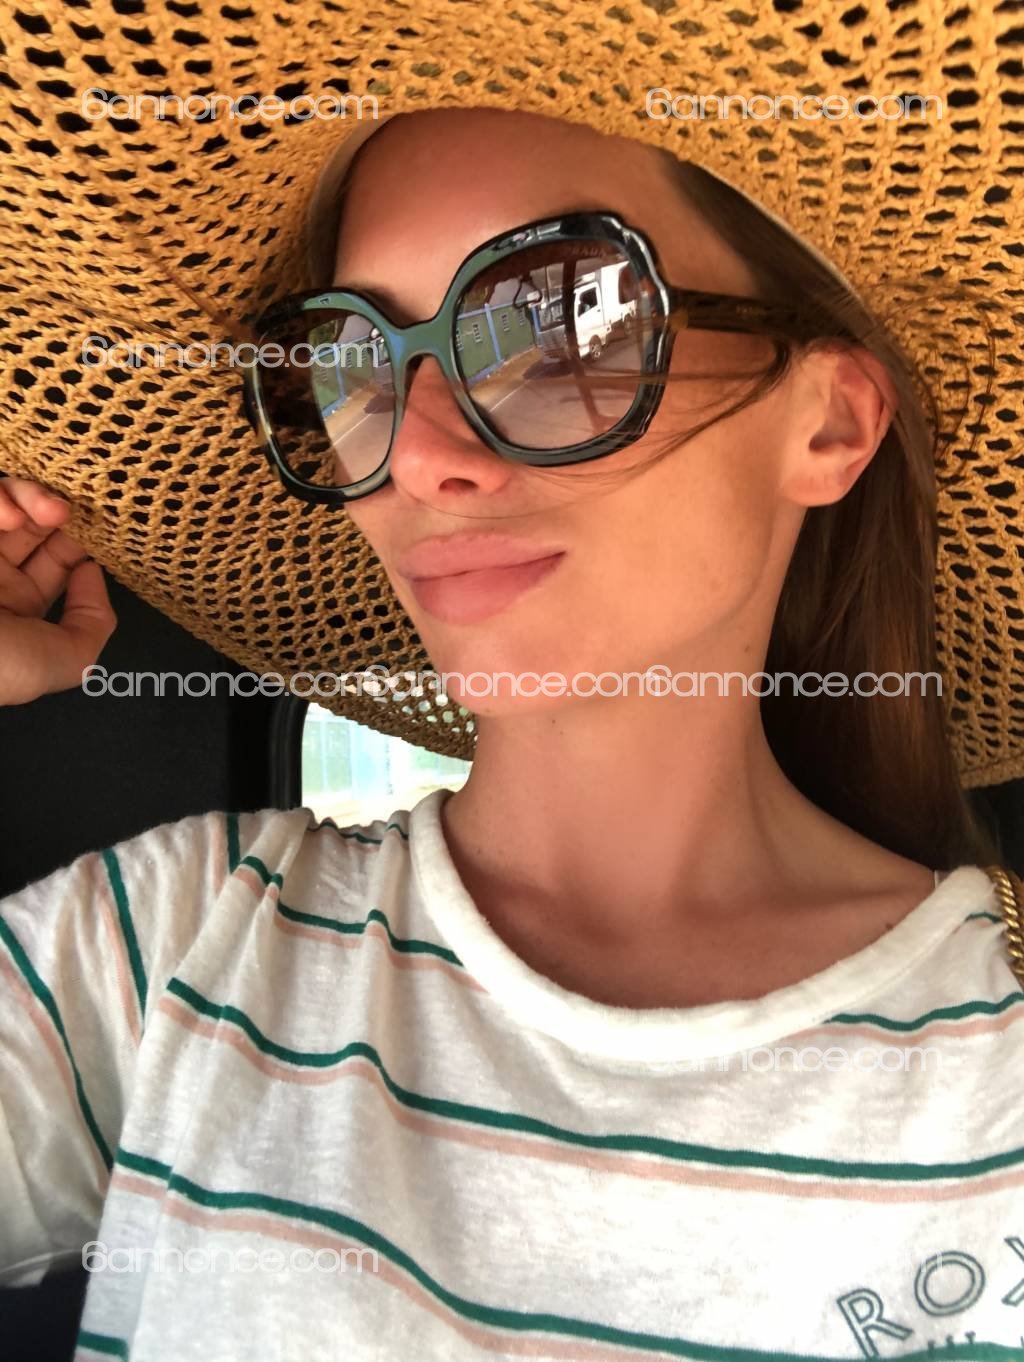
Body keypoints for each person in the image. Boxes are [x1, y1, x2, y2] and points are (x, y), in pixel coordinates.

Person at [2, 8, 1023, 1361]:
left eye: (562, 321)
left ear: (830, 422)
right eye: (349, 361)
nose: (419, 455)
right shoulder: (173, 955)